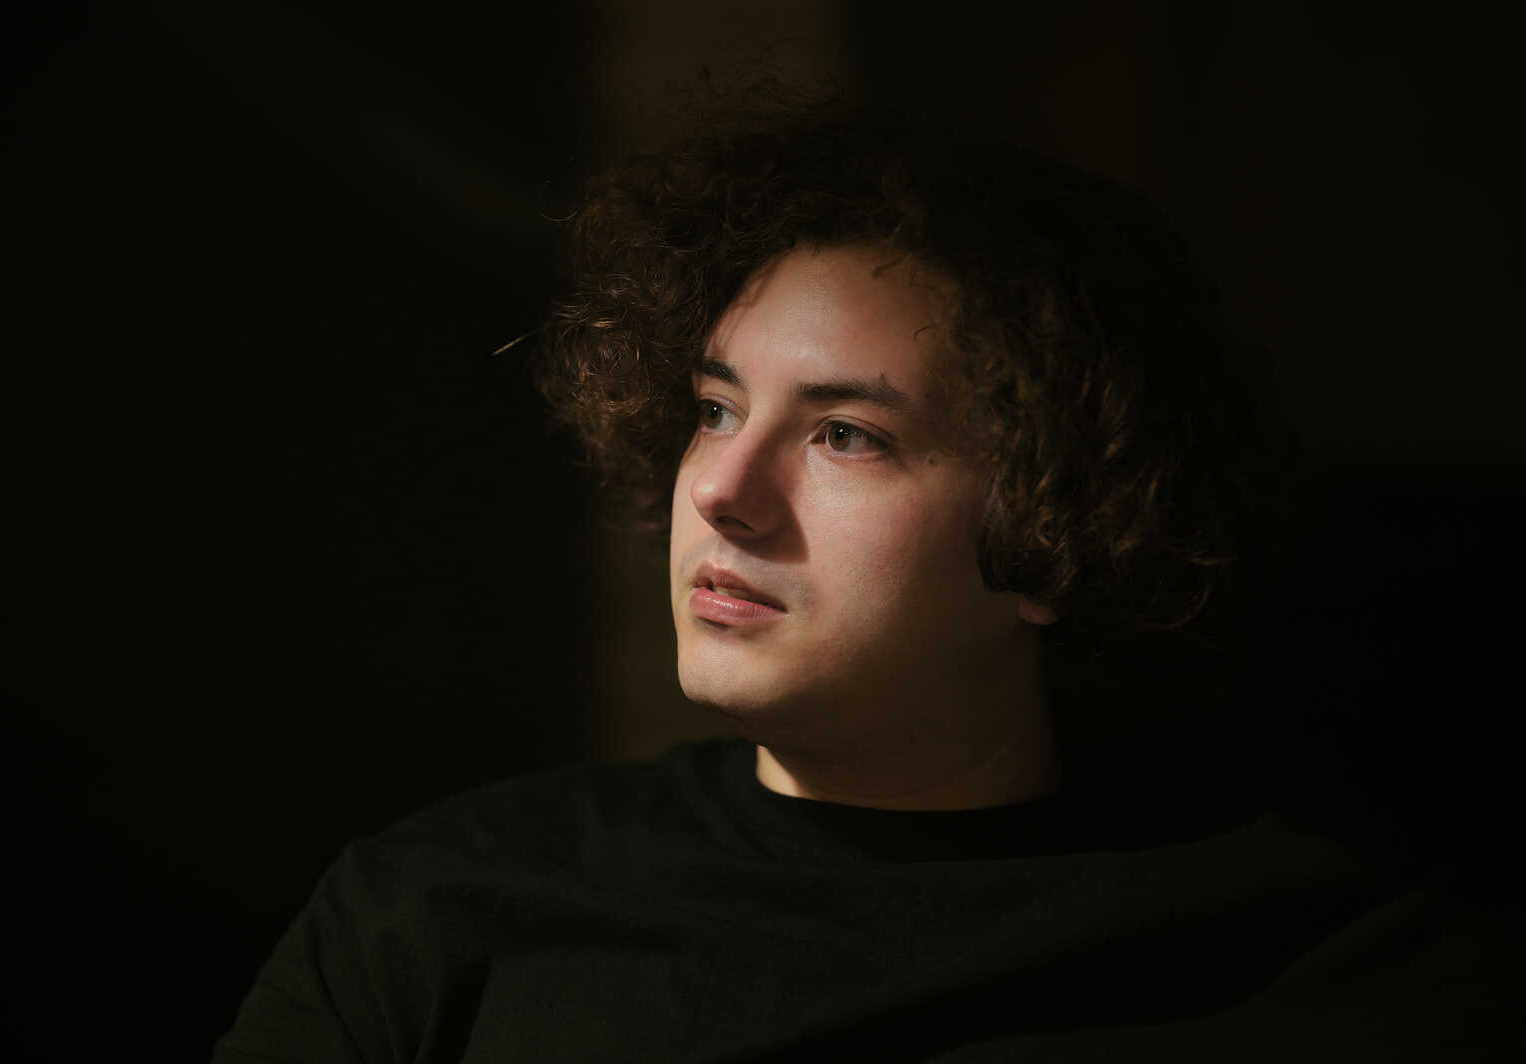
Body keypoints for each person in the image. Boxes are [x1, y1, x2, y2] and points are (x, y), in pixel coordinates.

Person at [212, 100, 1519, 1062]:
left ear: (1063, 526)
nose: (721, 489)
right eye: (716, 409)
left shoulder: (1336, 972)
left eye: (845, 434)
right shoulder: (438, 914)